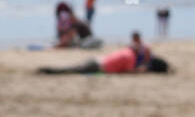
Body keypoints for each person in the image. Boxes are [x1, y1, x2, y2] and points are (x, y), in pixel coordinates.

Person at [38, 44, 171, 74]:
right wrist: (140, 71)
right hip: (98, 66)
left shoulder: (127, 51)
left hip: (97, 60)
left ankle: (49, 70)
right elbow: (129, 72)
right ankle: (49, 70)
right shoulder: (130, 57)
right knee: (70, 70)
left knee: (71, 68)